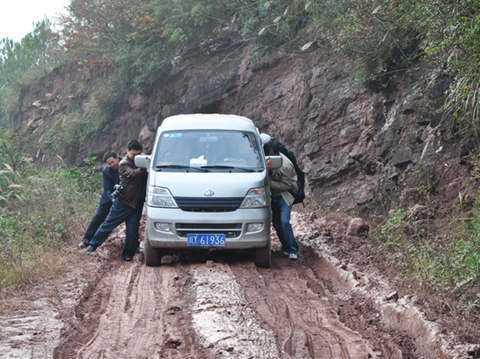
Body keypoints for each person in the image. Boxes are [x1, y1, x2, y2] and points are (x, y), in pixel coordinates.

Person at [85, 140, 147, 261]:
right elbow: (132, 174)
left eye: (138, 154)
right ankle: (92, 245)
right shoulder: (123, 164)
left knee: (132, 229)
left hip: (137, 202)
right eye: (134, 154)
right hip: (123, 201)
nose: (136, 157)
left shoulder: (141, 162)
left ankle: (128, 254)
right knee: (108, 224)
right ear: (128, 151)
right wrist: (145, 167)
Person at [263, 135, 300, 260]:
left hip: (285, 196)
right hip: (273, 195)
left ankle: (293, 249)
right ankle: (286, 246)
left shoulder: (285, 165)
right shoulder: (267, 159)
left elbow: (287, 185)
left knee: (284, 222)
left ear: (272, 151)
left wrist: (268, 182)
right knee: (277, 223)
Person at [79, 152, 120, 248]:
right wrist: (112, 198)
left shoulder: (124, 166)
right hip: (108, 198)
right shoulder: (106, 171)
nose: (111, 165)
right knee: (98, 217)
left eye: (112, 162)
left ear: (117, 159)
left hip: (123, 199)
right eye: (109, 163)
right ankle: (86, 240)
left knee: (111, 222)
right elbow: (107, 189)